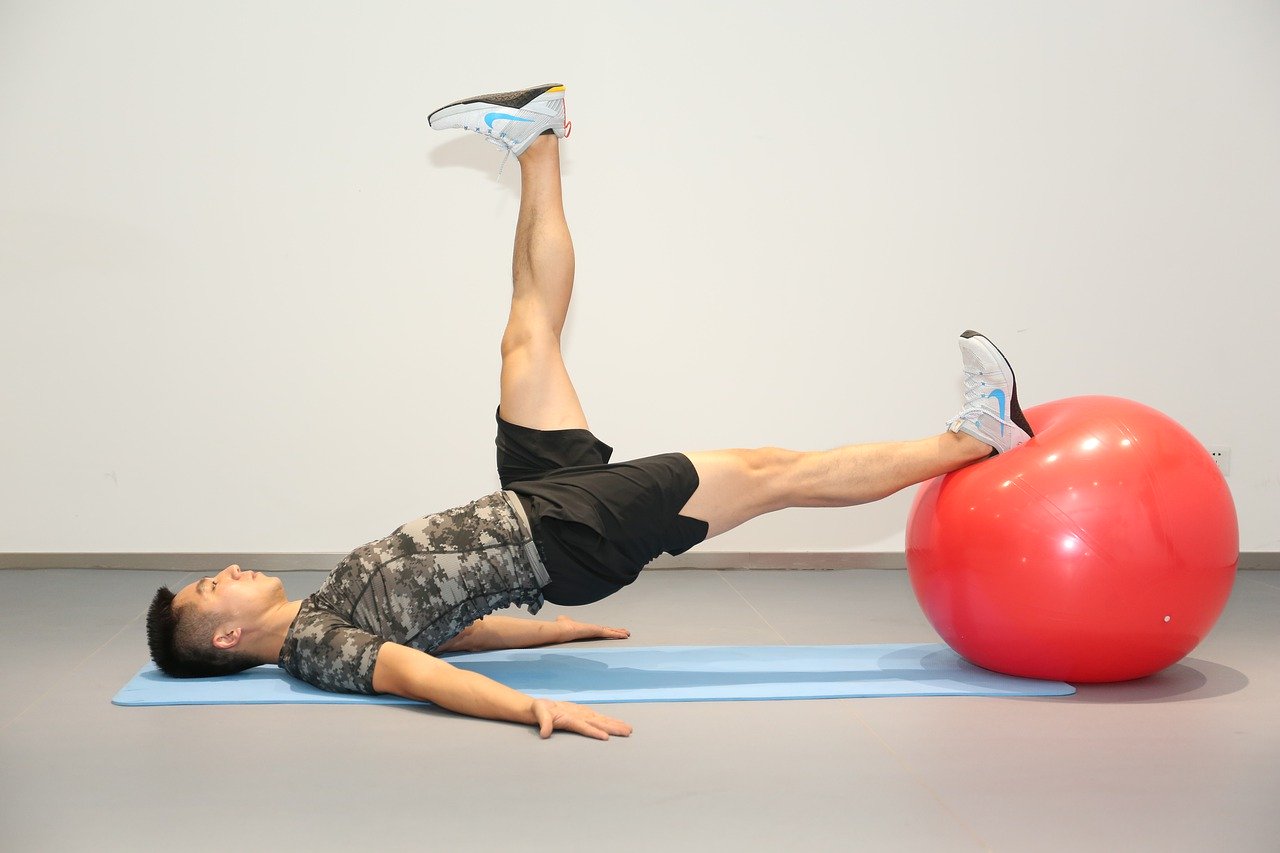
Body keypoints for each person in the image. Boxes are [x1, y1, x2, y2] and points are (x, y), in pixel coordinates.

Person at [146, 84, 1034, 741]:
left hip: (534, 504)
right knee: (771, 473)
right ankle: (976, 434)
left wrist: (555, 632)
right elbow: (418, 673)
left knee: (527, 336)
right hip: (563, 534)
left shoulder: (326, 606)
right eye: (207, 588)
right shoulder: (317, 649)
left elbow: (447, 627)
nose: (223, 569)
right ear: (226, 635)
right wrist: (536, 706)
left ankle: (536, 138)